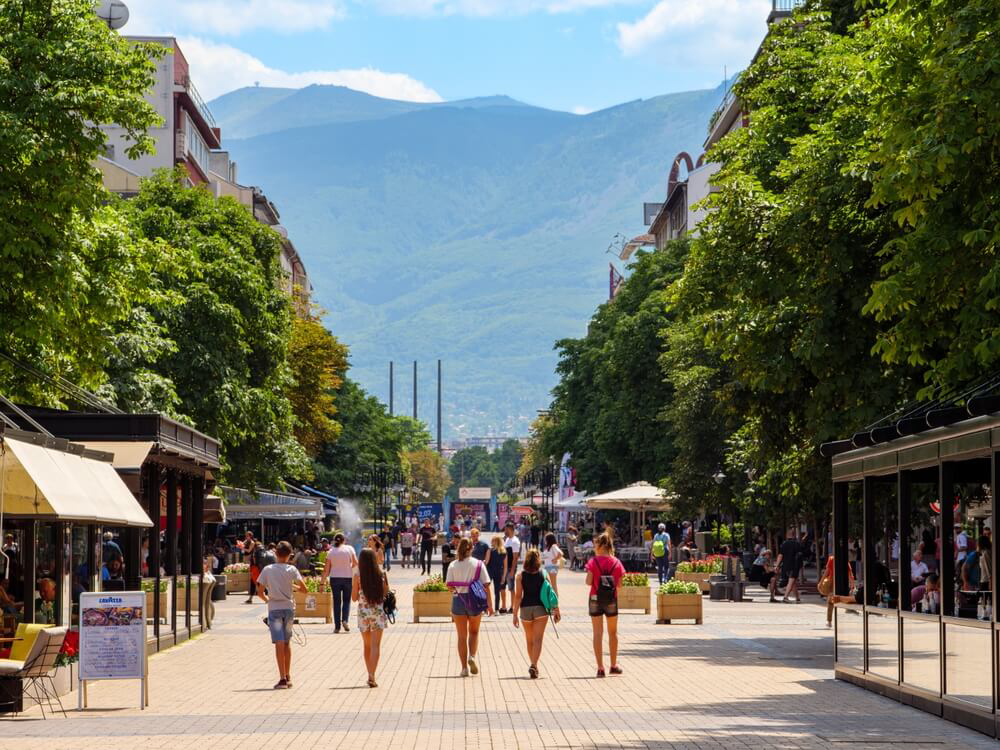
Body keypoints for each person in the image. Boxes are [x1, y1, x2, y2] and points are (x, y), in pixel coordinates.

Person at [256, 541, 308, 689]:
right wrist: (292, 586)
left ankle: (282, 678)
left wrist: (268, 601)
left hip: (274, 609)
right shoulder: (292, 569)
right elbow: (304, 590)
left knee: (278, 643)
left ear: (275, 553)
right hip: (289, 608)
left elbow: (260, 592)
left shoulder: (267, 569)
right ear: (290, 554)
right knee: (287, 642)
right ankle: (288, 675)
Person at [445, 538, 494, 677]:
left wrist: (457, 590)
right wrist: (490, 605)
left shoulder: (453, 565)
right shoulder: (479, 564)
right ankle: (472, 656)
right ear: (472, 548)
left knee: (461, 636)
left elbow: (449, 585)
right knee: (474, 632)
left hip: (458, 600)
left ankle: (463, 668)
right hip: (475, 602)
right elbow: (486, 586)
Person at [512, 549, 560, 679]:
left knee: (529, 640)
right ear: (538, 560)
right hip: (540, 609)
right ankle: (534, 664)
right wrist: (556, 609)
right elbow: (551, 593)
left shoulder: (520, 575)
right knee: (538, 639)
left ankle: (533, 665)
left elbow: (518, 596)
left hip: (525, 609)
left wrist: (515, 614)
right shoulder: (544, 573)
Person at [586, 533, 624, 677]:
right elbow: (620, 585)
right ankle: (613, 665)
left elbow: (588, 582)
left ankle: (600, 667)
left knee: (597, 633)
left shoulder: (593, 562)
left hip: (595, 598)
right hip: (611, 600)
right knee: (613, 633)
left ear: (600, 545)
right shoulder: (616, 562)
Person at [352, 548, 388, 688]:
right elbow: (385, 594)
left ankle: (369, 674)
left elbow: (354, 598)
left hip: (363, 613)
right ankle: (372, 675)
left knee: (367, 646)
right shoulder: (381, 575)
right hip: (377, 612)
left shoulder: (357, 576)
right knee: (375, 645)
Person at [323, 532, 358, 634]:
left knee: (337, 602)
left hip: (334, 579)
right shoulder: (349, 549)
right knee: (346, 601)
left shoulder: (331, 551)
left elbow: (326, 569)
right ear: (344, 540)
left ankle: (337, 627)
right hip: (347, 578)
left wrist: (322, 582)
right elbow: (356, 563)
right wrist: (349, 567)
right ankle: (345, 620)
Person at [775, 530, 803, 603]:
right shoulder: (797, 544)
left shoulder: (784, 544)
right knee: (791, 581)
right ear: (794, 535)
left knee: (792, 582)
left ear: (787, 535)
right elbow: (800, 556)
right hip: (794, 565)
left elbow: (780, 555)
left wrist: (777, 565)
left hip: (786, 566)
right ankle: (785, 597)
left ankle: (797, 598)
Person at [502, 521, 521, 614]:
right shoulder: (507, 539)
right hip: (505, 567)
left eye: (506, 529)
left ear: (510, 529)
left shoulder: (515, 541)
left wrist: (513, 570)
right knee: (506, 587)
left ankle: (512, 607)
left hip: (510, 568)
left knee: (511, 588)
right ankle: (506, 606)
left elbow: (516, 557)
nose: (504, 531)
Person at [486, 535, 506, 615]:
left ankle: (486, 608)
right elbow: (505, 566)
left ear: (496, 541)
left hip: (490, 572)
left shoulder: (490, 550)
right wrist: (504, 576)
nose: (491, 542)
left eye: (492, 540)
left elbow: (486, 562)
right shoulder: (503, 552)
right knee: (497, 591)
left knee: (485, 589)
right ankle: (496, 610)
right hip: (499, 573)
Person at [243, 531, 260, 604]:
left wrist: (243, 548)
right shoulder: (246, 542)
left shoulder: (252, 545)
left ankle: (266, 595)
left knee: (255, 580)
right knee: (254, 581)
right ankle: (251, 598)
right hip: (253, 565)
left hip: (254, 566)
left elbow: (249, 550)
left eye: (247, 536)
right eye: (246, 535)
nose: (246, 537)